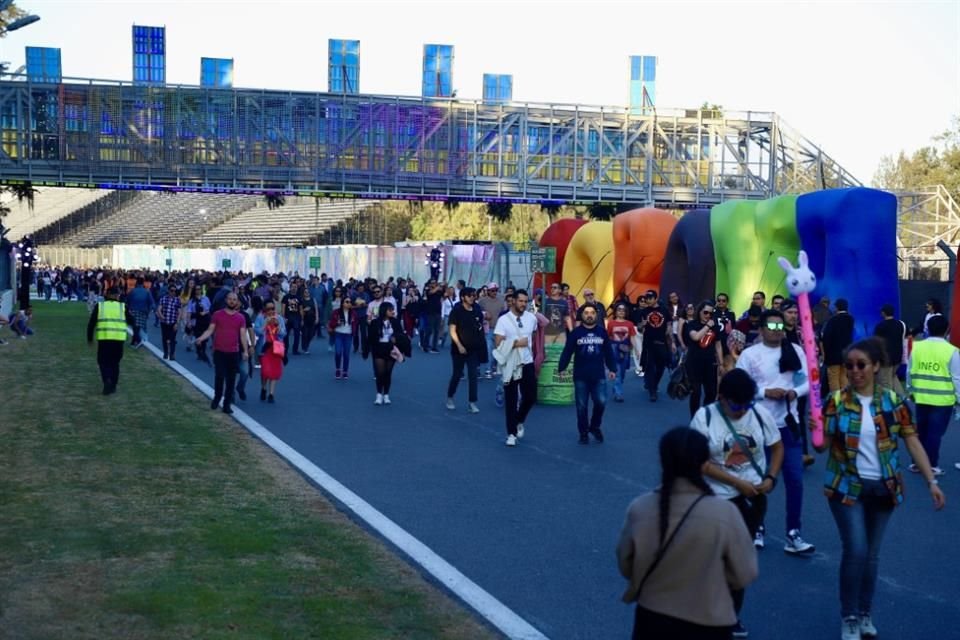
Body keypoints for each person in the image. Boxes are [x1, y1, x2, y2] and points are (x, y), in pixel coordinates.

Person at [820, 337, 946, 640]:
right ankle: (849, 615)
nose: (854, 371)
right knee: (856, 550)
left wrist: (931, 481)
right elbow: (823, 446)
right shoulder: (835, 401)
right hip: (846, 487)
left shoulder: (893, 401)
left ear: (876, 366)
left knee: (872, 556)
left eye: (861, 364)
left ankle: (865, 613)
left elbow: (912, 440)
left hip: (884, 488)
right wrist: (816, 428)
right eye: (849, 365)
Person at [617, 427, 758, 640]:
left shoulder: (641, 508)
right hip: (710, 620)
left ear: (663, 460)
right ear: (704, 464)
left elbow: (626, 565)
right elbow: (744, 573)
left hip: (653, 619)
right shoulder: (724, 513)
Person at [690, 369, 782, 638]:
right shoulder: (705, 418)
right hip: (714, 500)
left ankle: (729, 615)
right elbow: (699, 461)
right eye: (736, 405)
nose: (742, 411)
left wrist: (771, 477)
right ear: (721, 398)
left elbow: (777, 448)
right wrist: (736, 482)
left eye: (746, 404)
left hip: (752, 501)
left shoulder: (760, 415)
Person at [736, 309, 815, 555]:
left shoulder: (796, 351)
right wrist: (764, 393)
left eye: (780, 327)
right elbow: (738, 386)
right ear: (761, 329)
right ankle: (756, 527)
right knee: (757, 480)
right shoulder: (750, 355)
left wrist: (794, 393)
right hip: (756, 427)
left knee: (795, 480)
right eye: (771, 326)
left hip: (787, 426)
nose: (776, 331)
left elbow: (807, 383)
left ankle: (794, 533)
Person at [907, 315, 960, 476]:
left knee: (921, 431)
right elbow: (956, 378)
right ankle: (931, 465)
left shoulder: (917, 347)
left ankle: (917, 463)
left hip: (921, 396)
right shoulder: (952, 351)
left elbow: (910, 371)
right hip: (942, 400)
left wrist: (911, 390)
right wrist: (959, 399)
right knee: (935, 433)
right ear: (947, 330)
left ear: (927, 329)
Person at [558, 302, 617, 444]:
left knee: (601, 402)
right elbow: (567, 352)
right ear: (582, 315)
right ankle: (583, 432)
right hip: (580, 375)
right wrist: (562, 368)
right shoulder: (576, 333)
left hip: (598, 374)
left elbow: (608, 351)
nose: (589, 315)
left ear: (596, 315)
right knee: (581, 406)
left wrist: (612, 368)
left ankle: (595, 427)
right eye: (586, 313)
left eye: (592, 313)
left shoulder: (602, 332)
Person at [493, 289, 538, 447]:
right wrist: (517, 343)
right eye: (520, 301)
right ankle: (511, 433)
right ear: (513, 301)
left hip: (527, 362)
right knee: (511, 399)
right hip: (511, 363)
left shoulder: (532, 318)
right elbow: (498, 342)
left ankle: (519, 420)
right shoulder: (504, 320)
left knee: (531, 396)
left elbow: (533, 337)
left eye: (526, 301)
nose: (523, 304)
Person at [195, 292, 250, 415]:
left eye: (234, 299)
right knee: (219, 376)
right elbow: (210, 329)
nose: (232, 301)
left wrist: (245, 351)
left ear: (237, 302)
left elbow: (242, 335)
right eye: (230, 299)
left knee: (231, 379)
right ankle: (217, 397)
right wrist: (201, 338)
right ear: (226, 300)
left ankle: (227, 404)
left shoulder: (240, 318)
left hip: (233, 352)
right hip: (219, 351)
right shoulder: (217, 315)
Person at [446, 287, 486, 413]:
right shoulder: (456, 311)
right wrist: (459, 345)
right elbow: (452, 330)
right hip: (459, 349)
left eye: (474, 295)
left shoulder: (477, 310)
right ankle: (450, 397)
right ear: (463, 297)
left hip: (473, 349)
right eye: (469, 295)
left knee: (473, 375)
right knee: (457, 374)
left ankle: (472, 402)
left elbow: (480, 327)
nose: (472, 297)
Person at [363, 302, 411, 405]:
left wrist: (396, 338)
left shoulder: (396, 322)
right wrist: (367, 350)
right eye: (390, 310)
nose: (392, 311)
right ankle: (379, 394)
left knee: (388, 373)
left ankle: (386, 395)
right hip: (379, 349)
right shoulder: (375, 322)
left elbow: (401, 335)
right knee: (380, 373)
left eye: (393, 309)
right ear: (384, 310)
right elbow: (370, 338)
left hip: (391, 349)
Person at [86, 286, 132, 395]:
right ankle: (113, 385)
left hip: (104, 339)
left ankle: (107, 380)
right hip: (118, 340)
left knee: (103, 362)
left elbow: (92, 323)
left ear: (107, 294)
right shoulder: (122, 306)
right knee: (115, 363)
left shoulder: (100, 306)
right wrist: (136, 337)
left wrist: (89, 337)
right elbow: (132, 321)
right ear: (116, 295)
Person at [684, 300, 723, 417]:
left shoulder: (714, 326)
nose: (708, 316)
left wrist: (721, 364)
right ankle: (695, 417)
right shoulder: (692, 324)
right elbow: (696, 337)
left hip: (710, 363)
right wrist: (707, 326)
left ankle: (705, 416)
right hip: (694, 362)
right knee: (696, 392)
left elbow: (718, 345)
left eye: (711, 314)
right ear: (699, 311)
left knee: (711, 392)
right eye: (705, 312)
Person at [638, 290, 674, 402]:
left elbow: (669, 324)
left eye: (650, 298)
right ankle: (652, 391)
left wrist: (671, 340)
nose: (648, 300)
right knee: (650, 367)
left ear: (656, 298)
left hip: (662, 342)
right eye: (646, 298)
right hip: (649, 342)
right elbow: (639, 327)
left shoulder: (664, 310)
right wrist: (641, 325)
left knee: (661, 366)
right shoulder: (644, 311)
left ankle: (654, 384)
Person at [821, 298, 856, 392]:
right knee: (844, 377)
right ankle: (845, 400)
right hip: (846, 354)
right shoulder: (851, 319)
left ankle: (836, 402)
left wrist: (825, 353)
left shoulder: (832, 320)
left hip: (833, 355)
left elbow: (826, 338)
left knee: (833, 379)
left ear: (836, 307)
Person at [873, 304, 908, 397]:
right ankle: (902, 397)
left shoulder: (880, 326)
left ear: (883, 313)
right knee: (892, 376)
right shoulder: (900, 324)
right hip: (897, 357)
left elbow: (876, 343)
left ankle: (888, 403)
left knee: (885, 382)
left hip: (886, 359)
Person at [607, 303, 639, 402]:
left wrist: (637, 350)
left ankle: (616, 387)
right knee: (618, 372)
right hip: (614, 348)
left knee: (623, 372)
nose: (621, 311)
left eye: (623, 310)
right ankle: (618, 393)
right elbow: (608, 337)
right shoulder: (611, 323)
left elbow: (633, 337)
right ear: (615, 311)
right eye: (619, 309)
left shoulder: (629, 324)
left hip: (625, 349)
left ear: (626, 312)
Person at [256, 301, 286, 403]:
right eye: (268, 309)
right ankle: (263, 388)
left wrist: (278, 327)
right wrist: (265, 324)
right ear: (265, 309)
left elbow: (283, 333)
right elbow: (258, 332)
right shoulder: (260, 317)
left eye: (272, 308)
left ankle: (271, 394)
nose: (271, 311)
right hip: (265, 348)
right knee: (265, 371)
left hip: (276, 348)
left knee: (275, 371)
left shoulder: (279, 318)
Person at [327, 297, 359, 379]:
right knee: (338, 352)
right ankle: (338, 369)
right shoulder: (336, 312)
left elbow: (355, 324)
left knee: (346, 354)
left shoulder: (353, 313)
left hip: (348, 335)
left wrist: (354, 330)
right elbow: (331, 324)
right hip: (339, 334)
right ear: (342, 303)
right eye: (347, 302)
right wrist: (337, 323)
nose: (349, 303)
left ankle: (345, 371)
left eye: (350, 302)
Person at [479, 283, 506, 378]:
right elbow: (477, 312)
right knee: (489, 349)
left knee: (497, 349)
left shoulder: (502, 301)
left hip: (499, 329)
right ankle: (488, 370)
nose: (495, 292)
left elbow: (505, 313)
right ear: (488, 291)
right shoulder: (482, 301)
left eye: (496, 290)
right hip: (488, 328)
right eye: (492, 290)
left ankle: (494, 366)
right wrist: (484, 314)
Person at [156, 284, 182, 361]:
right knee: (164, 338)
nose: (173, 292)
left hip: (173, 322)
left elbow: (179, 312)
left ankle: (172, 354)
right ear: (168, 291)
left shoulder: (177, 300)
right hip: (164, 322)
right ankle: (166, 353)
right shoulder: (163, 299)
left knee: (172, 339)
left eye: (175, 291)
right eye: (172, 291)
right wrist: (161, 315)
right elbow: (159, 309)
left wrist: (177, 323)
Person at [126, 277, 154, 347]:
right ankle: (135, 341)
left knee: (135, 326)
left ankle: (137, 340)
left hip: (133, 310)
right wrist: (149, 311)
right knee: (138, 326)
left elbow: (127, 300)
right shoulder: (147, 291)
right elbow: (151, 303)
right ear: (143, 283)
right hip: (143, 311)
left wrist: (129, 308)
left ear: (136, 283)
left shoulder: (133, 291)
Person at [281, 282, 303, 356]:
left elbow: (300, 309)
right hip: (288, 317)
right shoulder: (286, 297)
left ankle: (295, 349)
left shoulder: (299, 298)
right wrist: (283, 318)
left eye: (295, 287)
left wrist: (302, 319)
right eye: (292, 287)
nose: (294, 288)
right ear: (290, 288)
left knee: (297, 335)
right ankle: (285, 349)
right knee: (286, 335)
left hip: (296, 317)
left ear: (297, 288)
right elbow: (283, 307)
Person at [299, 286, 318, 355]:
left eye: (308, 292)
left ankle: (306, 344)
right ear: (303, 293)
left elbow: (316, 309)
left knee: (311, 334)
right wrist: (304, 311)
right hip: (305, 319)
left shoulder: (313, 299)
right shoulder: (301, 300)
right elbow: (300, 310)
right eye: (305, 292)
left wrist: (317, 318)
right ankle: (305, 347)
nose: (307, 293)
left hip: (312, 319)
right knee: (305, 334)